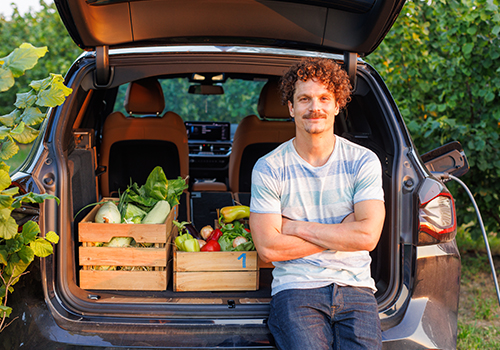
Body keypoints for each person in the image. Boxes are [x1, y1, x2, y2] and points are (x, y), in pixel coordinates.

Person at [249, 57, 385, 350]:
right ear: (291, 107)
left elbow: (367, 236)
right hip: (296, 288)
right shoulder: (269, 167)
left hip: (357, 288)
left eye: (324, 98)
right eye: (304, 99)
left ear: (337, 105)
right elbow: (269, 248)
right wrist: (341, 232)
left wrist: (294, 227)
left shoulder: (363, 161)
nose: (315, 108)